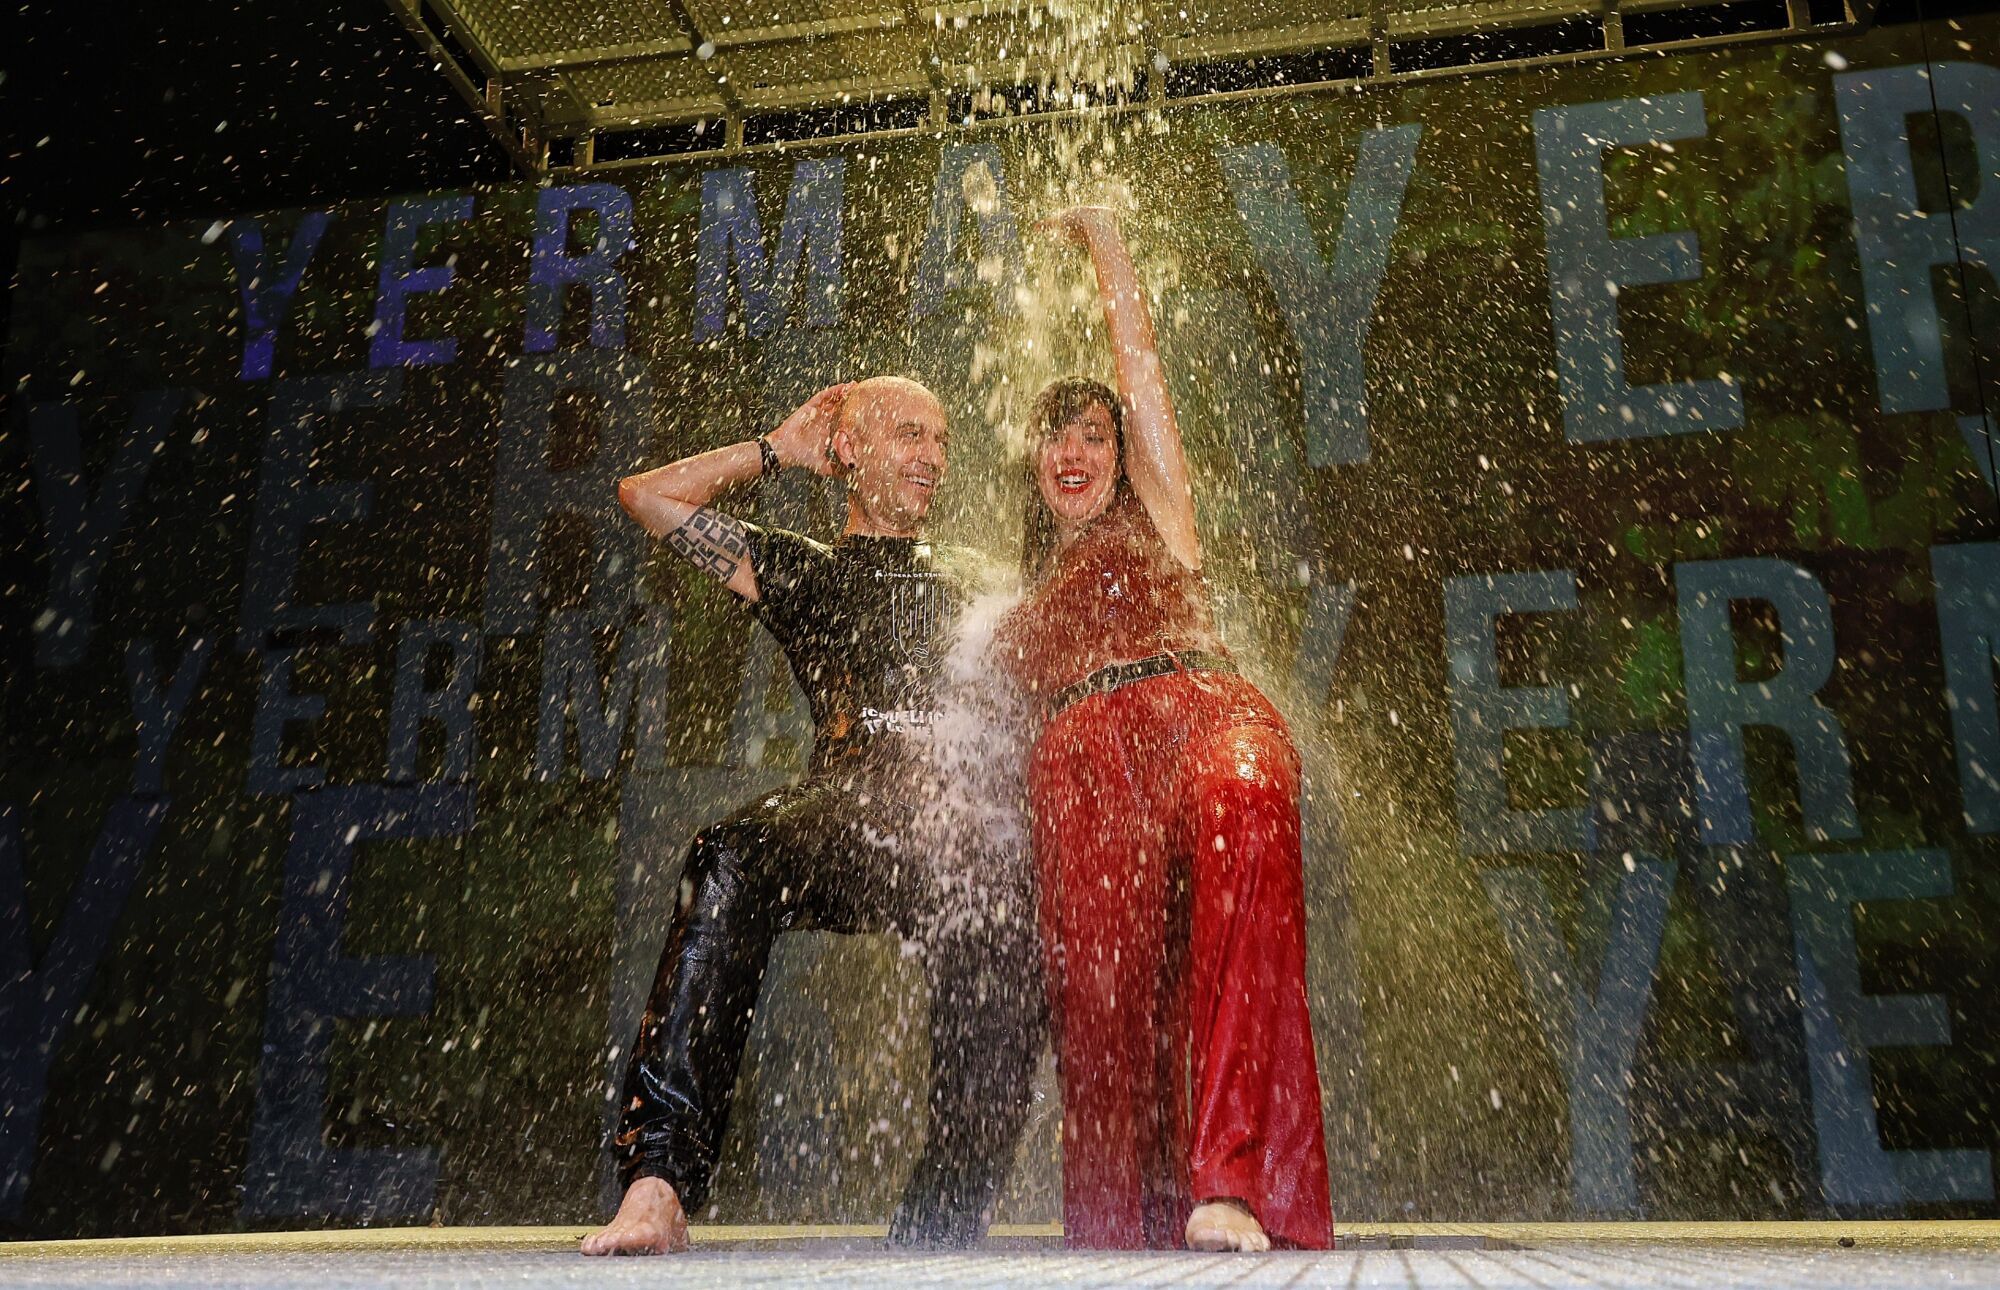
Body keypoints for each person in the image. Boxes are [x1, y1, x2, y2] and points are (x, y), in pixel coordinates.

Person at [585, 377, 1042, 1255]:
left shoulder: (984, 583)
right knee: (730, 852)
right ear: (848, 455)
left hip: (959, 817)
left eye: (942, 441)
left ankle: (941, 1222)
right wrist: (772, 450)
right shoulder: (804, 570)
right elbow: (647, 495)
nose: (933, 457)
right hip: (848, 811)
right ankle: (658, 1185)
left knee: (1009, 873)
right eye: (909, 435)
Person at [996, 208, 1335, 1252]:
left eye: (1094, 434)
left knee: (1245, 793)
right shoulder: (1010, 607)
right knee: (1103, 1012)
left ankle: (1226, 1181)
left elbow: (1137, 373)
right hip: (1080, 767)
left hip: (1197, 713)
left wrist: (1107, 248)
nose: (1074, 448)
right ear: (1032, 464)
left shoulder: (1159, 516)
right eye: (1056, 433)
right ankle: (1120, 1232)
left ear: (1122, 455)